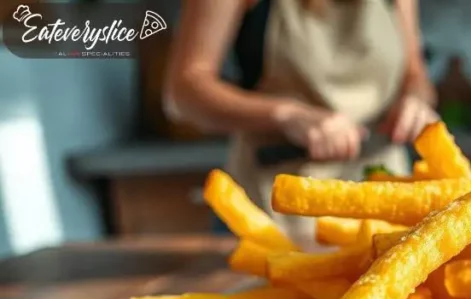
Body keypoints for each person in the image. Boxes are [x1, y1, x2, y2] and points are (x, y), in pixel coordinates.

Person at [164, 0, 438, 244]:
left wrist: (416, 100)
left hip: (388, 200)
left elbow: (415, 74)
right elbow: (184, 91)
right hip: (271, 211)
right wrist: (286, 115)